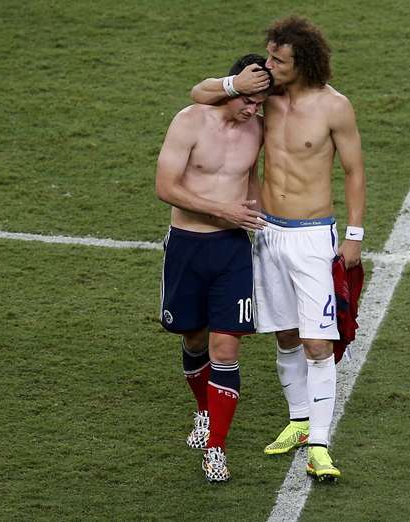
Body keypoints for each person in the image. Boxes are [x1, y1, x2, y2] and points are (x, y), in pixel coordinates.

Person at [190, 16, 366, 481]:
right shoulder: (265, 98)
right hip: (267, 235)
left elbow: (353, 171)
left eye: (278, 59)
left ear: (301, 62)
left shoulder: (335, 107)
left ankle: (321, 448)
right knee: (285, 335)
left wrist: (355, 234)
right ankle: (299, 421)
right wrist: (233, 81)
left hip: (312, 237)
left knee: (317, 343)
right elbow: (200, 95)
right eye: (268, 56)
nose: (268, 65)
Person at [156, 54, 273, 482]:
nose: (255, 110)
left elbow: (251, 178)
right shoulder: (189, 121)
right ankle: (203, 411)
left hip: (231, 249)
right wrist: (222, 209)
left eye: (261, 103)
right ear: (235, 88)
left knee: (226, 347)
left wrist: (260, 217)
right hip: (187, 246)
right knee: (194, 338)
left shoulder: (256, 128)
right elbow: (165, 187)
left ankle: (217, 448)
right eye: (251, 101)